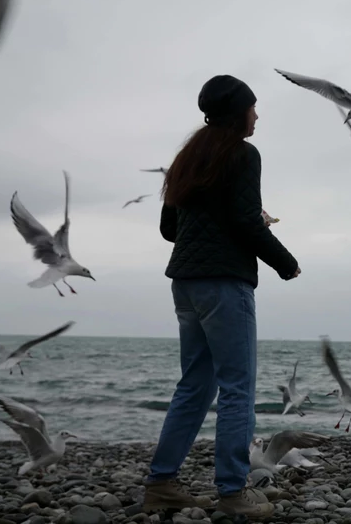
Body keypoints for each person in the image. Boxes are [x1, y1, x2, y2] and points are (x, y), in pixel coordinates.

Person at [142, 75, 300, 519]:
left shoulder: (187, 159)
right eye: (253, 107)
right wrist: (286, 262)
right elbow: (246, 222)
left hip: (186, 283)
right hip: (225, 284)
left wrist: (220, 223)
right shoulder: (243, 154)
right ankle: (233, 491)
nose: (257, 115)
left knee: (193, 385)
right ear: (238, 112)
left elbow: (170, 230)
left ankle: (161, 484)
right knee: (236, 388)